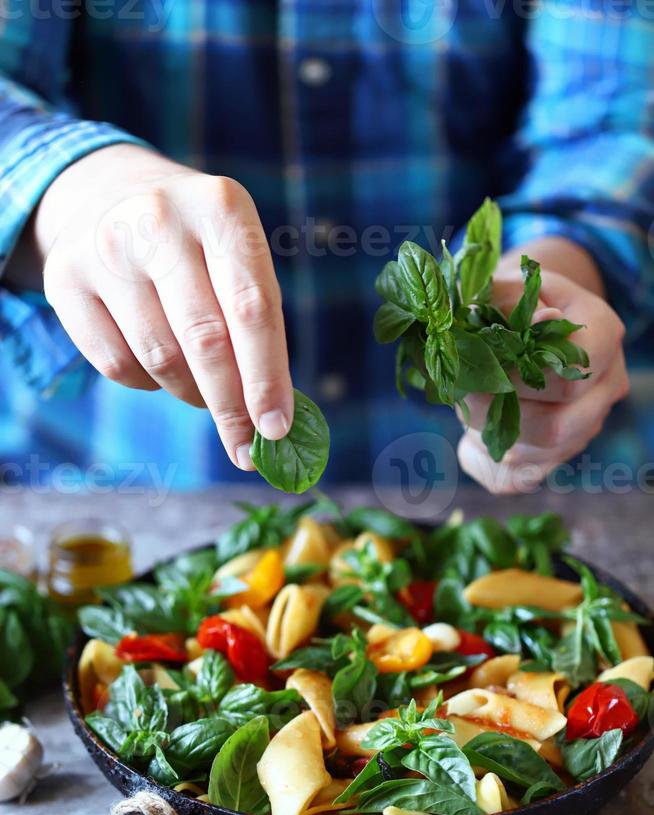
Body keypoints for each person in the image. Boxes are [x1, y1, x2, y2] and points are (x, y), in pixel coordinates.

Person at [0, 0, 652, 494]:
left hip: (547, 503)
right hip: (121, 492)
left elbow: (612, 123)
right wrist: (74, 190)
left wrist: (554, 284)